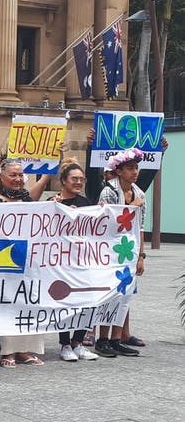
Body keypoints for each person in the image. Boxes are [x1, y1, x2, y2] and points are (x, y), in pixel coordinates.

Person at [0, 158, 46, 368]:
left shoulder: (29, 202)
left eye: (20, 175)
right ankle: (8, 351)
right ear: (1, 176)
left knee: (29, 303)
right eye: (13, 175)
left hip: (28, 262)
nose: (18, 179)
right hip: (3, 263)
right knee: (6, 304)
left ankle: (25, 350)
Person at [95, 148, 147, 358]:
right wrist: (131, 206)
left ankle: (117, 338)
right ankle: (102, 338)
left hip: (129, 249)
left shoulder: (140, 193)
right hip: (110, 248)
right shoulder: (109, 191)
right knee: (110, 293)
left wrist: (141, 256)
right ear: (119, 171)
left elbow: (141, 226)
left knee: (125, 293)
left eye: (136, 168)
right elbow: (108, 223)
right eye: (130, 168)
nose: (134, 172)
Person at [50, 158, 99, 362]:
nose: (79, 183)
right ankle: (65, 344)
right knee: (65, 302)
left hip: (83, 261)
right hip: (62, 263)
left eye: (82, 179)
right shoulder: (54, 204)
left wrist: (101, 213)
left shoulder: (87, 204)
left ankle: (78, 341)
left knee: (87, 299)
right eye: (74, 179)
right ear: (63, 181)